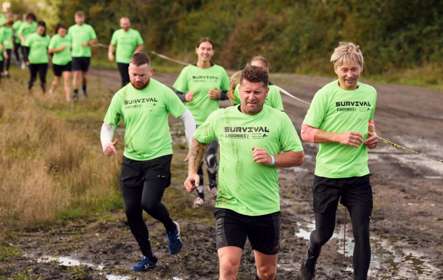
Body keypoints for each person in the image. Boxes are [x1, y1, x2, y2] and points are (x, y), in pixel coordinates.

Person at [184, 65, 304, 280]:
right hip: (229, 204)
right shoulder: (221, 117)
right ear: (238, 90)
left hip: (265, 207)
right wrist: (192, 171)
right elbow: (198, 140)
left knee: (267, 273)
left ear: (267, 92)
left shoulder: (279, 119)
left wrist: (273, 159)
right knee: (229, 266)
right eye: (247, 91)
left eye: (257, 92)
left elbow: (298, 155)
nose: (251, 97)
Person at [100, 52, 196, 272]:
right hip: (132, 160)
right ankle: (148, 257)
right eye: (133, 75)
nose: (137, 79)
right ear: (129, 72)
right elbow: (108, 125)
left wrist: (192, 146)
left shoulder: (163, 92)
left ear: (150, 72)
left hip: (159, 157)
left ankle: (171, 227)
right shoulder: (121, 95)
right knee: (131, 211)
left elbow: (186, 116)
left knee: (149, 203)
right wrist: (106, 143)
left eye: (142, 75)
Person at [299, 42, 378, 280]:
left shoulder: (370, 93)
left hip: (358, 176)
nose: (349, 74)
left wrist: (372, 137)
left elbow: (369, 123)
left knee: (362, 233)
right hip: (328, 176)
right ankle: (312, 253)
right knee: (324, 233)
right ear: (336, 69)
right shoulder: (324, 94)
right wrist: (338, 137)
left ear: (361, 68)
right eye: (344, 69)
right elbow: (306, 132)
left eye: (354, 69)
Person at [173, 37, 230, 207]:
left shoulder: (219, 71)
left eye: (209, 49)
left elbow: (231, 93)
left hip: (213, 121)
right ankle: (199, 195)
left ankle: (213, 186)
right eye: (202, 48)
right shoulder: (188, 71)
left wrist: (220, 95)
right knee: (195, 157)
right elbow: (174, 95)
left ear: (212, 52)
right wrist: (184, 97)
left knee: (211, 157)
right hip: (193, 122)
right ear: (197, 50)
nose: (205, 52)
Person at [68, 11, 97, 100]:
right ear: (75, 19)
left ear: (84, 18)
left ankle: (84, 91)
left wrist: (88, 43)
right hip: (75, 55)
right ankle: (75, 93)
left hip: (86, 55)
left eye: (81, 18)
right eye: (77, 18)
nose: (79, 19)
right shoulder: (71, 29)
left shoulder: (89, 28)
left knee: (84, 75)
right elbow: (68, 41)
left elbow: (95, 40)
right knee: (76, 74)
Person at [108, 17, 144, 87]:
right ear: (120, 24)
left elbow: (141, 45)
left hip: (132, 60)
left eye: (127, 24)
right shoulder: (117, 33)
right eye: (124, 24)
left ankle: (132, 93)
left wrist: (137, 51)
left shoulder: (135, 33)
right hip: (120, 59)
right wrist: (110, 53)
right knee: (124, 78)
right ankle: (124, 94)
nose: (125, 25)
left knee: (131, 78)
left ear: (129, 24)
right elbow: (112, 45)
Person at [48, 24, 72, 101]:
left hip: (67, 62)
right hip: (57, 63)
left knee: (67, 80)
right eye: (61, 31)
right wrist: (59, 49)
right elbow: (50, 50)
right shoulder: (55, 38)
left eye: (64, 31)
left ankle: (68, 99)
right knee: (56, 81)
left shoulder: (69, 37)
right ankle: (51, 91)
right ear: (58, 31)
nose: (62, 32)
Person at [26, 20, 50, 94]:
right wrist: (26, 59)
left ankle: (44, 92)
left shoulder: (47, 37)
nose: (41, 30)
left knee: (42, 77)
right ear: (37, 28)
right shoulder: (31, 36)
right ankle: (29, 90)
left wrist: (51, 57)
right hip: (32, 60)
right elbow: (26, 48)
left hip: (43, 61)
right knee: (33, 77)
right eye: (40, 29)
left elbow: (49, 48)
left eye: (43, 29)